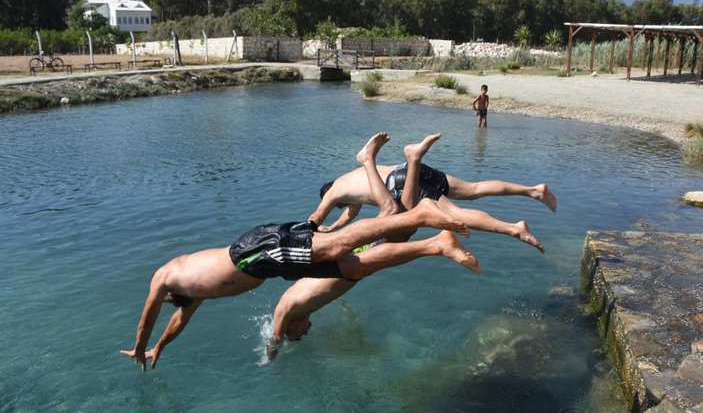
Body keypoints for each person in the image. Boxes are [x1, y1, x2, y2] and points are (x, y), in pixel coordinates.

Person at [120, 198, 475, 371]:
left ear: (170, 294)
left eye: (173, 302)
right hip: (268, 266)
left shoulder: (166, 276)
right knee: (353, 268)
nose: (181, 308)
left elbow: (146, 318)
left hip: (252, 253)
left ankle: (419, 214)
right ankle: (437, 245)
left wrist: (139, 346)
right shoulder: (191, 293)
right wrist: (160, 348)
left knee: (337, 245)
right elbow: (179, 319)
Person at [269, 132, 479, 357]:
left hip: (347, 264)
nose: (307, 331)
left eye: (300, 333)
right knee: (402, 227)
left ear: (291, 326)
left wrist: (269, 356)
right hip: (346, 267)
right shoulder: (303, 310)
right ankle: (411, 164)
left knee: (392, 215)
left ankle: (436, 242)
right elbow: (318, 289)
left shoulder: (286, 309)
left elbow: (275, 337)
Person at [309, 143, 556, 253]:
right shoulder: (350, 179)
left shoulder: (332, 193)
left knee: (455, 215)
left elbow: (316, 217)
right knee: (475, 189)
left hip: (403, 183)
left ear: (329, 193)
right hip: (406, 170)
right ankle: (534, 190)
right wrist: (334, 228)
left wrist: (313, 233)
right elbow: (349, 214)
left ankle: (514, 229)